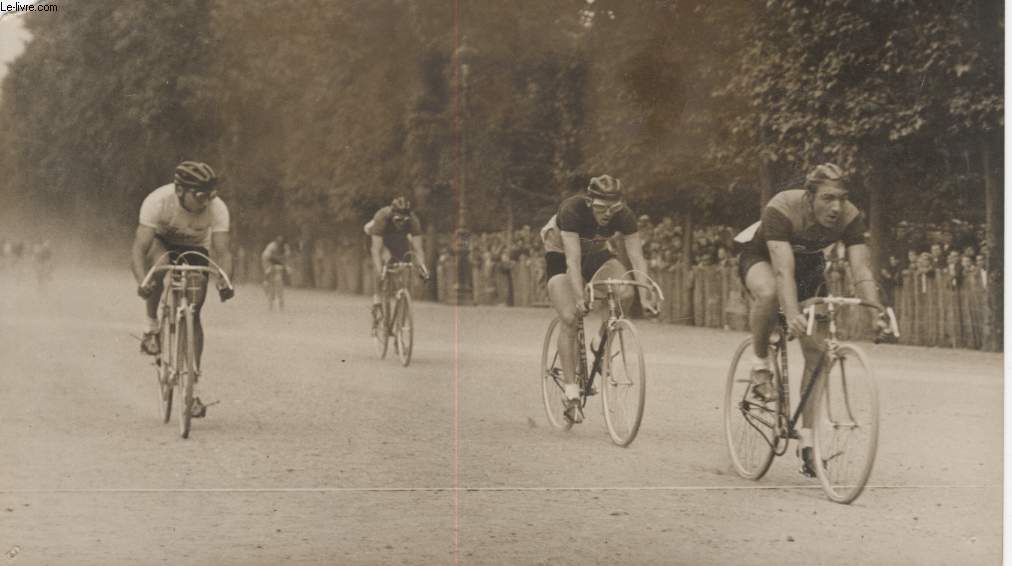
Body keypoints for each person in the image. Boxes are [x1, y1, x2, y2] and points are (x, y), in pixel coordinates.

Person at [733, 163, 887, 477]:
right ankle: (760, 365)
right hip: (762, 258)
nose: (836, 207)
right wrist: (791, 315)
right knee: (769, 293)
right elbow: (782, 271)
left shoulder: (849, 216)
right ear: (809, 196)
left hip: (809, 268)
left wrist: (876, 309)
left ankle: (808, 442)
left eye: (842, 198)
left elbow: (861, 269)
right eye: (828, 198)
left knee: (817, 354)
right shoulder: (782, 207)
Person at [539, 174, 658, 424]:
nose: (607, 214)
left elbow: (637, 258)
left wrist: (645, 295)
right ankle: (571, 392)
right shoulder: (572, 209)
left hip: (595, 253)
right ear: (589, 201)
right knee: (571, 316)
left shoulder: (623, 215)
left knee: (625, 290)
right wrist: (580, 297)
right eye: (601, 208)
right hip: (561, 254)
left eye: (612, 209)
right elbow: (572, 260)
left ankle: (598, 343)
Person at [131, 161, 234, 419]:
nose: (205, 202)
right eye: (199, 195)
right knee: (161, 267)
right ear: (180, 190)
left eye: (209, 196)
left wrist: (225, 280)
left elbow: (222, 251)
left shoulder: (217, 208)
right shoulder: (158, 202)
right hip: (161, 243)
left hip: (195, 249)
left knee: (195, 308)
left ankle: (191, 388)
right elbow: (138, 249)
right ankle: (151, 327)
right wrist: (143, 281)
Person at [364, 196, 429, 323]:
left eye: (405, 220)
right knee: (384, 261)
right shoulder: (382, 217)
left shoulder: (413, 221)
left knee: (404, 260)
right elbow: (376, 250)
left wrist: (423, 268)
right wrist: (380, 272)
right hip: (377, 236)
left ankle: (401, 293)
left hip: (397, 238)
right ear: (392, 214)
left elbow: (418, 249)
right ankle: (377, 300)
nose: (401, 223)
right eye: (398, 219)